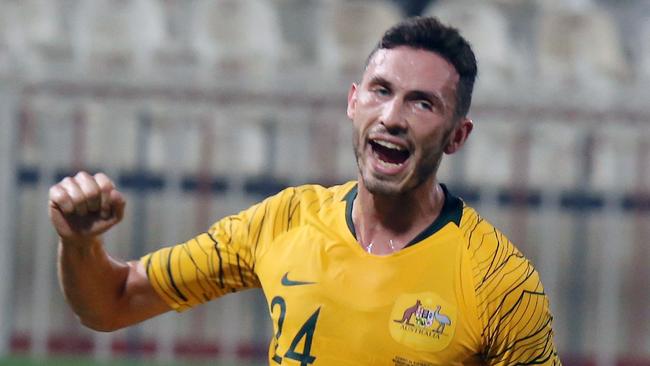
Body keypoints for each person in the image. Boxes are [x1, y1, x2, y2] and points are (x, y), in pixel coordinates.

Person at [49, 16, 561, 365]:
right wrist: (79, 244)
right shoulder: (284, 220)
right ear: (353, 102)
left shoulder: (500, 281)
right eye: (381, 91)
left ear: (457, 136)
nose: (392, 117)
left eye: (422, 103)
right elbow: (111, 302)